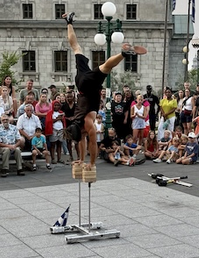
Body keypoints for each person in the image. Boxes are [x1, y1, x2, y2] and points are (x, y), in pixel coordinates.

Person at [62, 12, 146, 178]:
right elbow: (82, 142)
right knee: (77, 48)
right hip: (80, 83)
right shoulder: (76, 125)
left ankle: (123, 54)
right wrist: (81, 160)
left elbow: (91, 143)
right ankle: (69, 22)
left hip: (88, 86)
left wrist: (91, 163)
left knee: (105, 67)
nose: (82, 137)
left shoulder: (86, 125)